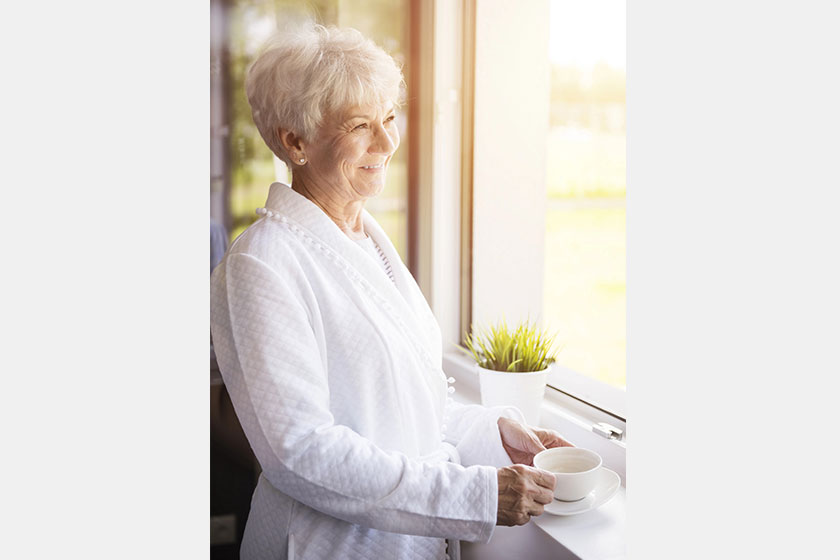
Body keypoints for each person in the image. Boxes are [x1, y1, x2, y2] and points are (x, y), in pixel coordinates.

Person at [210, 23, 572, 560]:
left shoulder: (367, 241)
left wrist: (497, 433)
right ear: (295, 141)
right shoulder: (262, 264)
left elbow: (406, 404)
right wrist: (472, 495)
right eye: (360, 125)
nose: (386, 142)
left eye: (389, 117)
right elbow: (300, 452)